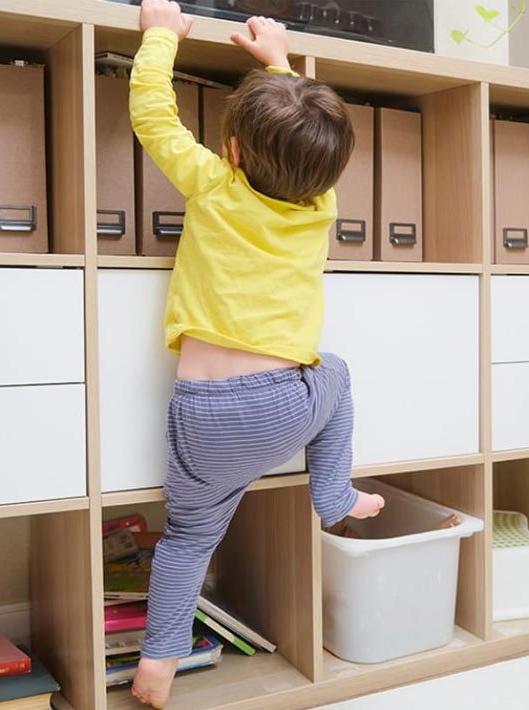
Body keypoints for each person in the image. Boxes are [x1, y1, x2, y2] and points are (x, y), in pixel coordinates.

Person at [127, 1, 386, 706]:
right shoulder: (321, 210)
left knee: (186, 542)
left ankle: (156, 668)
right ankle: (331, 492)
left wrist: (159, 35)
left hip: (202, 417)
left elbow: (153, 115)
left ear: (233, 152)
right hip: (284, 412)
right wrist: (280, 60)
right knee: (335, 370)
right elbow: (309, 140)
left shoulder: (212, 185)